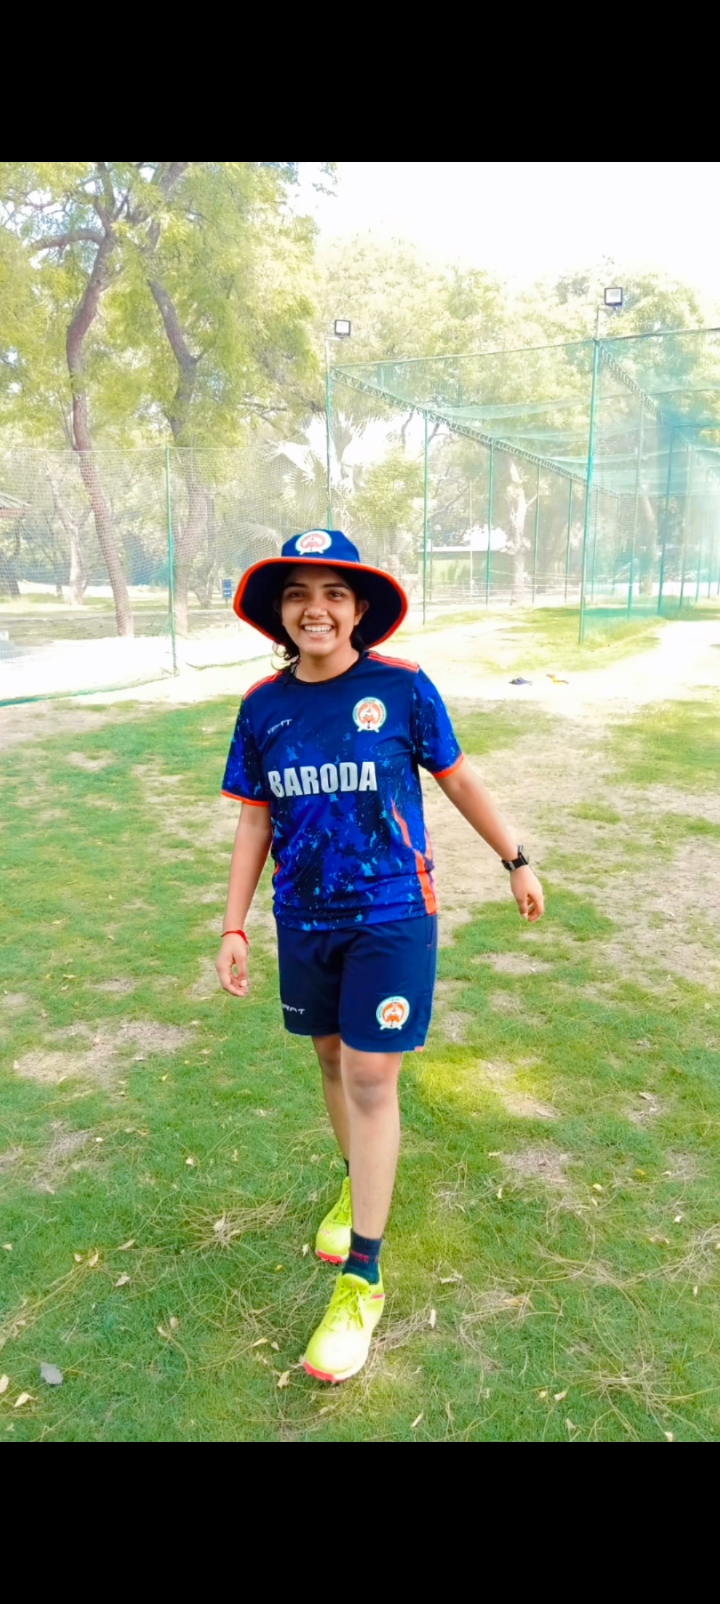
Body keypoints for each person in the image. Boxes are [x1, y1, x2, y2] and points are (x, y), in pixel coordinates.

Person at [216, 528, 544, 1384]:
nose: (315, 609)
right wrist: (234, 924)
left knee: (369, 1075)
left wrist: (515, 859)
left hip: (394, 914)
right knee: (330, 1059)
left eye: (333, 593)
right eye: (298, 594)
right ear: (281, 614)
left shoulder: (403, 689)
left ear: (359, 609)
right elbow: (254, 818)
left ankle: (363, 1276)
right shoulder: (262, 707)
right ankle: (354, 1177)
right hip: (304, 918)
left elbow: (458, 777)